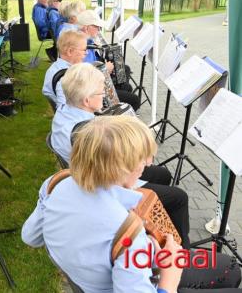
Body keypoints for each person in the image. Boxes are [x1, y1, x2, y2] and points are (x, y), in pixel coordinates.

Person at [23, 114, 242, 293]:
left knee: (230, 268)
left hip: (97, 275)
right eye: (142, 158)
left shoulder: (56, 182)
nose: (148, 163)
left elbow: (30, 236)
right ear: (121, 168)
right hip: (151, 277)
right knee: (230, 271)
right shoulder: (127, 232)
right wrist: (169, 277)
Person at [50, 63, 190, 247]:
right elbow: (114, 167)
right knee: (179, 197)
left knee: (162, 174)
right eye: (101, 93)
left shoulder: (66, 111)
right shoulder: (84, 132)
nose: (105, 95)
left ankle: (156, 224)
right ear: (86, 100)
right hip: (105, 184)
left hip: (94, 172)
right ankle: (181, 253)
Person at [77, 9, 140, 111]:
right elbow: (86, 76)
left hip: (98, 82)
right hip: (92, 90)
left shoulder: (87, 40)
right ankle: (117, 114)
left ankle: (119, 102)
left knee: (125, 77)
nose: (99, 29)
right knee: (135, 100)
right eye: (96, 27)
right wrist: (105, 69)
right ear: (86, 28)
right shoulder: (82, 46)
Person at [42, 30, 87, 108]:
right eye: (84, 50)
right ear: (70, 51)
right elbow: (66, 109)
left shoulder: (55, 67)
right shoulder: (66, 77)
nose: (86, 53)